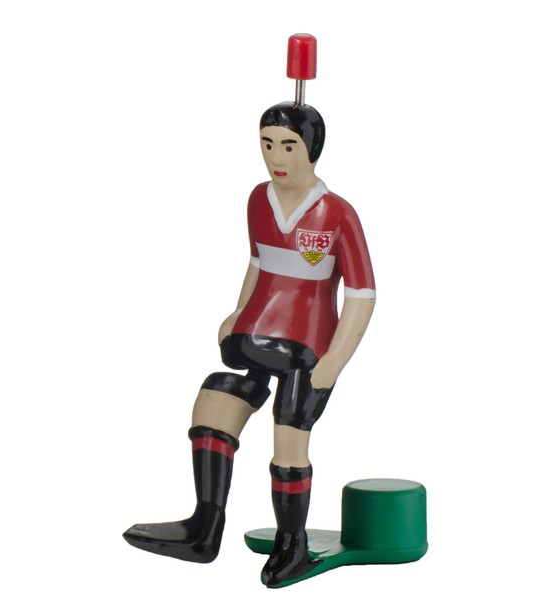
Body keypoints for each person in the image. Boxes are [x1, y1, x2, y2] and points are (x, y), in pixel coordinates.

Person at [123, 100, 375, 588]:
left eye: (289, 145)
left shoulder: (337, 213)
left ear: (313, 149)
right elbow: (258, 262)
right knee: (214, 403)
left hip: (308, 349)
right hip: (258, 332)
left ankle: (292, 544)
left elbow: (362, 294)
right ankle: (205, 527)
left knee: (288, 440)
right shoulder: (258, 200)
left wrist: (335, 360)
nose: (276, 157)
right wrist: (238, 314)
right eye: (267, 144)